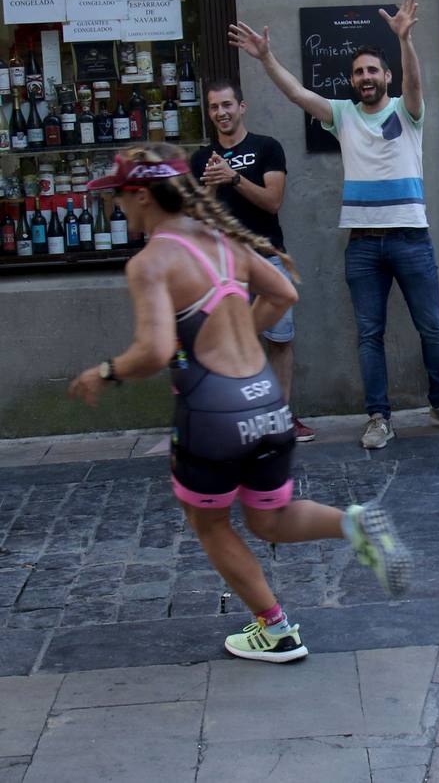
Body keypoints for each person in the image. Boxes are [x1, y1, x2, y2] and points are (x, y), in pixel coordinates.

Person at [68, 145, 410, 663]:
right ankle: (353, 523)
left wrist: (106, 370)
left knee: (209, 523)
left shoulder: (151, 261)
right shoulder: (224, 242)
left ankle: (275, 630)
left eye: (119, 198)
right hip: (267, 402)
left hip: (212, 414)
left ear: (140, 196)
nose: (118, 209)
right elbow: (283, 296)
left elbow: (156, 350)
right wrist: (234, 342)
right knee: (269, 518)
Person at [230, 0, 439, 449]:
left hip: (410, 239)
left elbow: (417, 82)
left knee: (433, 328)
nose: (366, 78)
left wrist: (404, 40)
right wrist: (266, 58)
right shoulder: (341, 116)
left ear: (386, 77)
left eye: (373, 71)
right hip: (362, 246)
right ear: (352, 81)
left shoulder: (407, 112)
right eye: (359, 72)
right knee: (369, 334)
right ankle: (378, 418)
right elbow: (296, 93)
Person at [188, 81, 314, 444]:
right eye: (214, 108)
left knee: (280, 340)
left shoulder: (266, 148)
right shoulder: (201, 159)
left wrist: (234, 178)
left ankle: (281, 418)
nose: (221, 113)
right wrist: (212, 185)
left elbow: (273, 201)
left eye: (227, 105)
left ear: (242, 107)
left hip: (267, 260)